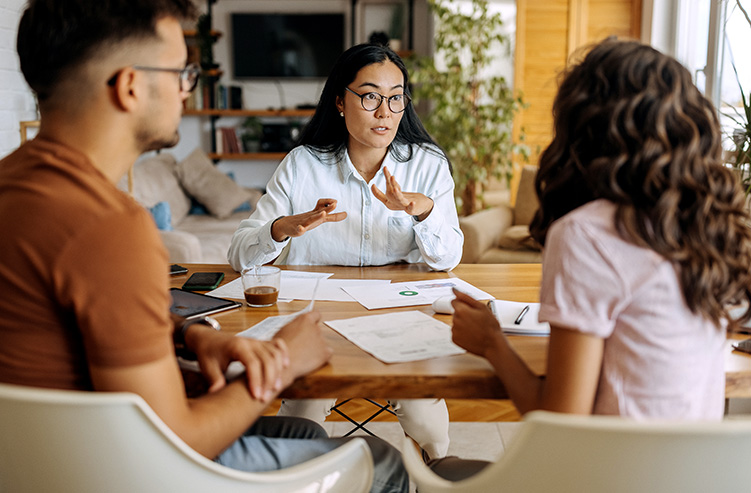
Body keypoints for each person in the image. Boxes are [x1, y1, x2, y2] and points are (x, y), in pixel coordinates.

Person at [0, 2, 408, 492]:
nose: (187, 89)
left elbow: (80, 319)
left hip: (36, 456)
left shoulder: (16, 185)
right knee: (382, 461)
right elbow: (176, 442)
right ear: (130, 86)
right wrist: (282, 359)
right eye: (180, 72)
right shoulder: (108, 227)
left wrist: (188, 335)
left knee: (301, 430)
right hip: (108, 468)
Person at [451, 38, 751, 422]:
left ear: (584, 125)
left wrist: (492, 343)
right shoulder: (702, 223)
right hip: (698, 475)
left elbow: (562, 422)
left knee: (404, 466)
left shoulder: (587, 234)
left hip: (611, 474)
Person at [227, 43, 463, 460]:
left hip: (400, 319)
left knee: (427, 423)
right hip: (317, 321)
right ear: (340, 100)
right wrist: (283, 228)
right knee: (301, 418)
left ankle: (433, 480)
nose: (385, 111)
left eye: (395, 98)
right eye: (370, 95)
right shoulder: (302, 164)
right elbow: (240, 256)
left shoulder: (428, 163)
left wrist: (421, 210)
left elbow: (447, 260)